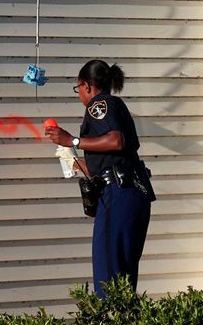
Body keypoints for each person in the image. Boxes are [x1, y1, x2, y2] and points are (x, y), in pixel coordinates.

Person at [45, 59, 153, 299]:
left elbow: (116, 141)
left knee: (108, 278)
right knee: (123, 279)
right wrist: (76, 162)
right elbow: (110, 160)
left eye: (78, 89)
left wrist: (72, 141)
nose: (79, 95)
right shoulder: (116, 105)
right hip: (132, 192)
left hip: (118, 195)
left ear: (86, 86)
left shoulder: (99, 104)